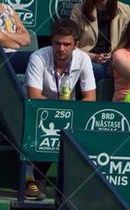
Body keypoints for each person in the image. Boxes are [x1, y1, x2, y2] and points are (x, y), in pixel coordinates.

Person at [23, 19, 96, 200]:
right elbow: (33, 96)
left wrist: (70, 111)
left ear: (76, 45)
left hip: (70, 113)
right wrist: (58, 111)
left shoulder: (83, 59)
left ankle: (75, 186)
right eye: (57, 43)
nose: (61, 48)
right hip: (40, 112)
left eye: (66, 44)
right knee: (48, 127)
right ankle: (32, 180)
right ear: (51, 41)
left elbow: (90, 98)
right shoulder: (38, 57)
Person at [70, 0, 130, 81]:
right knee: (101, 70)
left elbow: (127, 42)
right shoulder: (78, 10)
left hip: (114, 60)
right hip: (87, 58)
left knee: (118, 68)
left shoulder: (125, 10)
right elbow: (70, 44)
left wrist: (115, 56)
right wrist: (94, 57)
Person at [0, 0, 32, 74]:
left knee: (41, 57)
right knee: (34, 59)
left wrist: (4, 33)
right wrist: (16, 43)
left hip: (14, 55)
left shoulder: (9, 9)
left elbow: (26, 39)